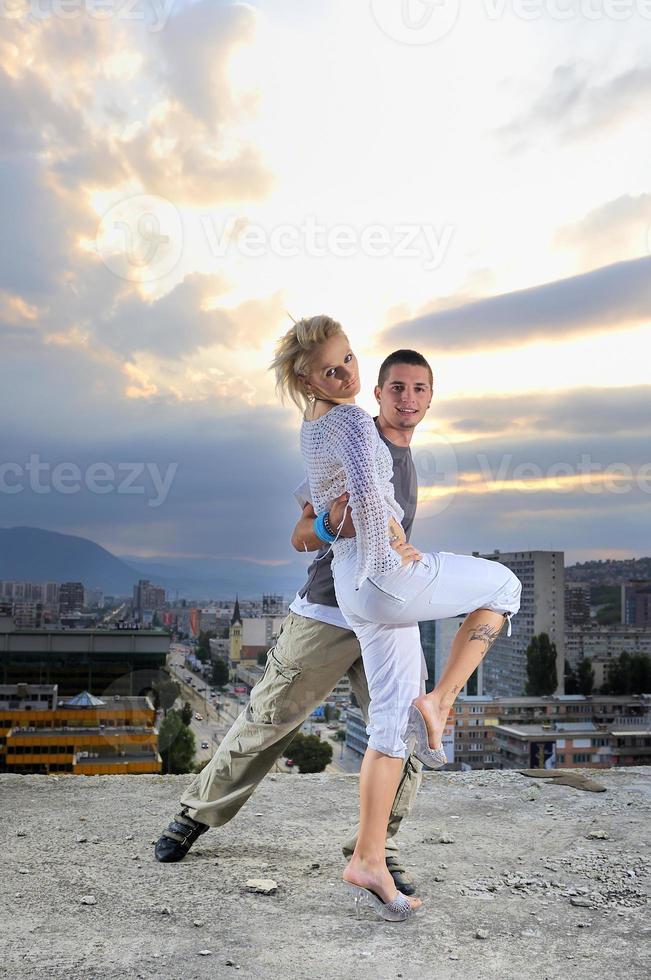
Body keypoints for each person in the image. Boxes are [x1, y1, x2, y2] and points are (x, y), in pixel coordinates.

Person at [154, 346, 434, 900]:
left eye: (419, 389)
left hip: (387, 616)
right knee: (268, 718)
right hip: (328, 612)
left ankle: (377, 848)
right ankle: (195, 813)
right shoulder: (348, 438)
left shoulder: (407, 458)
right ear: (377, 393)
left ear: (430, 399)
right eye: (397, 388)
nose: (408, 399)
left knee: (406, 730)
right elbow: (300, 534)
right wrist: (331, 521)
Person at [272, 314, 522, 921]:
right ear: (309, 378)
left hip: (354, 589)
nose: (347, 373)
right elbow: (363, 489)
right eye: (333, 369)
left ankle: (368, 860)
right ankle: (442, 702)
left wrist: (373, 534)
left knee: (388, 726)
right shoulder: (357, 422)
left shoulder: (313, 426)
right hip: (380, 578)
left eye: (350, 359)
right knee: (506, 585)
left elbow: (315, 500)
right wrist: (394, 551)